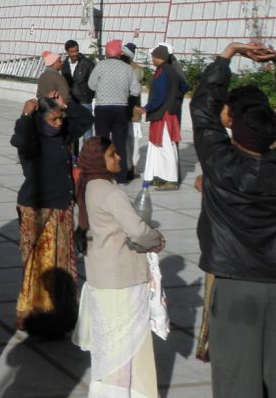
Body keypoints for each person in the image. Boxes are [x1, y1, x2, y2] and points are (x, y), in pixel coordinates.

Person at [191, 42, 276, 397]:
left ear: (234, 128)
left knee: (236, 379)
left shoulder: (220, 163)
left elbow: (202, 109)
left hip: (233, 284)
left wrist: (227, 55)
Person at [71, 137, 164, 396]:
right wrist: (156, 239)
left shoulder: (88, 185)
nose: (119, 158)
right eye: (113, 154)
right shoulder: (110, 192)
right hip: (123, 278)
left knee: (109, 349)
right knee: (127, 352)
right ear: (100, 160)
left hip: (100, 277)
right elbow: (137, 230)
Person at [11, 92, 93, 337]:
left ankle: (61, 317)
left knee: (62, 264)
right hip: (38, 210)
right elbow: (21, 140)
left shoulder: (61, 134)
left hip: (61, 207)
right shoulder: (32, 139)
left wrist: (68, 104)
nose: (59, 124)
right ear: (40, 118)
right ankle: (37, 317)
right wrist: (26, 114)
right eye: (54, 119)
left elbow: (87, 120)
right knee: (39, 266)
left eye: (60, 118)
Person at [88, 39, 136, 184]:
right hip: (121, 108)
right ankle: (121, 176)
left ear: (107, 53)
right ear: (120, 53)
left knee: (102, 141)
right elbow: (136, 90)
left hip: (103, 108)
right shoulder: (127, 68)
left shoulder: (100, 66)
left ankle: (103, 173)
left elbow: (91, 85)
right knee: (120, 142)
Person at [141, 45, 183, 190]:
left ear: (158, 57)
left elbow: (159, 95)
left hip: (163, 114)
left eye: (153, 56)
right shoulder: (171, 70)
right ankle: (158, 175)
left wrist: (146, 108)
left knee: (165, 147)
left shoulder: (162, 72)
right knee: (158, 146)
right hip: (167, 112)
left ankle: (171, 179)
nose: (151, 59)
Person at [63, 39, 95, 104]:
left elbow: (94, 83)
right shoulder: (64, 64)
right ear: (67, 52)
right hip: (69, 101)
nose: (75, 54)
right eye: (72, 52)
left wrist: (88, 97)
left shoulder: (88, 64)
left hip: (84, 102)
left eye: (76, 51)